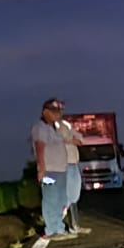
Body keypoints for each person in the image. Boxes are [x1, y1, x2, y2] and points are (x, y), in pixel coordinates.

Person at [32, 98, 74, 239]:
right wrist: (42, 168)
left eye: (59, 111)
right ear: (45, 112)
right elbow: (39, 147)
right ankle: (51, 230)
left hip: (60, 169)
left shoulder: (54, 129)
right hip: (49, 170)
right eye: (54, 111)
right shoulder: (40, 127)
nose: (58, 114)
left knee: (61, 199)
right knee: (51, 199)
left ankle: (59, 228)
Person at [51, 99, 92, 234]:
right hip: (64, 164)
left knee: (74, 196)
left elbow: (79, 136)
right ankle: (55, 225)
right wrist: (71, 140)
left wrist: (77, 138)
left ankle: (74, 225)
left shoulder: (65, 124)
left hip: (74, 163)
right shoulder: (52, 126)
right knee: (67, 197)